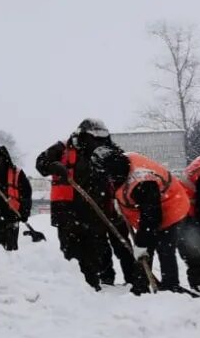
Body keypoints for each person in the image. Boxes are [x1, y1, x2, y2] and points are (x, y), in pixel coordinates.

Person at [36, 118, 143, 292]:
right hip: (68, 211)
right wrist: (54, 166)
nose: (97, 143)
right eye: (93, 139)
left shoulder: (109, 150)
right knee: (72, 252)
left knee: (102, 249)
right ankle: (79, 286)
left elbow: (123, 168)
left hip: (100, 208)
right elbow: (41, 164)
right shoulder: (62, 148)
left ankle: (116, 281)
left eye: (101, 139)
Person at [93, 147, 200, 296]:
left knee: (164, 247)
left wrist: (141, 244)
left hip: (172, 207)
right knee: (147, 247)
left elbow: (151, 218)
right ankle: (141, 285)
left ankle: (170, 286)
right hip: (152, 208)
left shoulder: (142, 182)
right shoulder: (121, 164)